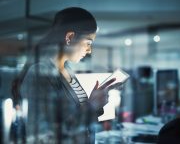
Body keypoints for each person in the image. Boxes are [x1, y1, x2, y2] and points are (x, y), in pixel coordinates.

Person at [19, 7, 120, 144]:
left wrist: (96, 102)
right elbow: (45, 135)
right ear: (69, 37)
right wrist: (90, 106)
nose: (89, 50)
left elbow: (77, 119)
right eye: (88, 43)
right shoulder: (40, 74)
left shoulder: (68, 71)